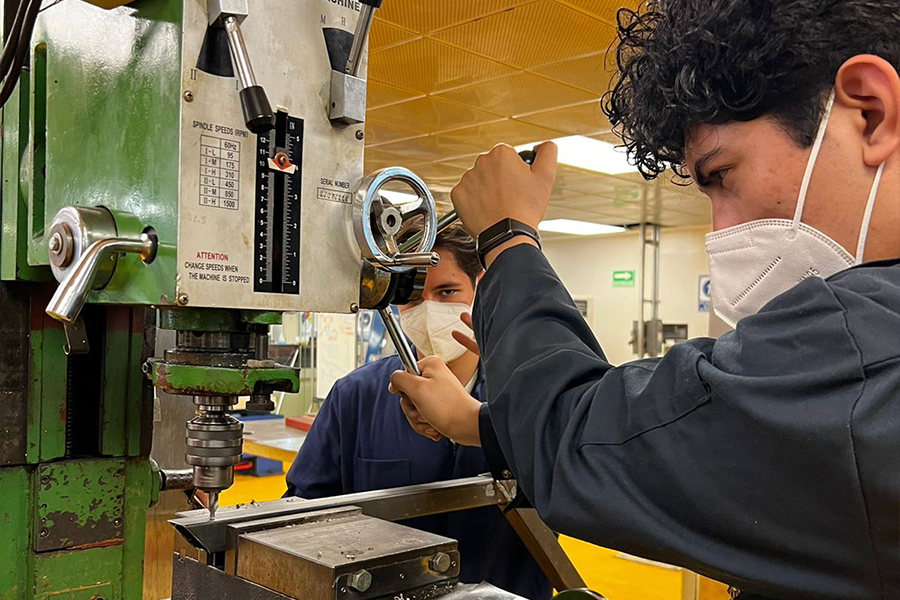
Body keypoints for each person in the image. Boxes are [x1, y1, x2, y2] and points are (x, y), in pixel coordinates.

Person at [388, 2, 900, 599]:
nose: (721, 229)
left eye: (722, 174)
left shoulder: (864, 351)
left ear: (871, 112)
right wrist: (487, 423)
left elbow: (579, 440)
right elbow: (709, 454)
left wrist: (507, 238)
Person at [284, 224, 552, 600]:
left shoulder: (532, 394)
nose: (428, 310)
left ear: (482, 289)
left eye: (446, 291)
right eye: (412, 296)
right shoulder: (356, 397)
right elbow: (304, 511)